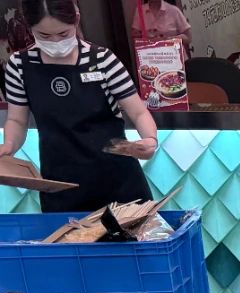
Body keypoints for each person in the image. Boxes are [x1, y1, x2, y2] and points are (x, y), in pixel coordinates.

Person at [1, 0, 156, 213]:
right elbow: (17, 120)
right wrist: (9, 145)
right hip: (61, 184)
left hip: (118, 180)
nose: (55, 42)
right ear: (29, 27)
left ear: (76, 19)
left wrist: (150, 140)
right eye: (44, 35)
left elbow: (138, 112)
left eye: (63, 34)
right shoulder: (19, 66)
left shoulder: (102, 59)